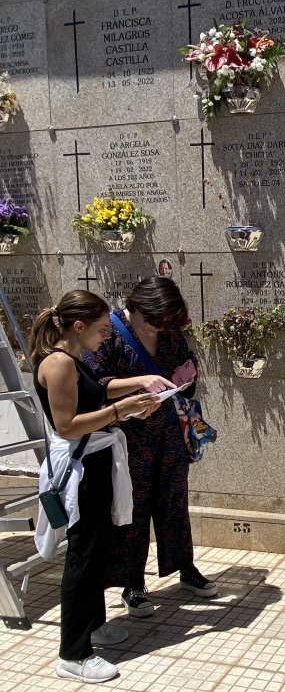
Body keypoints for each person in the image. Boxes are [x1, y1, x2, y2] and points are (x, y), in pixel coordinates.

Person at [31, 291, 161, 683]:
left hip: (98, 461)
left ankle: (94, 624)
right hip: (82, 468)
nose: (107, 336)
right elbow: (67, 425)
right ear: (78, 326)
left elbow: (98, 392)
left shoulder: (75, 360)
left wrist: (138, 390)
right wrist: (123, 411)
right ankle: (73, 653)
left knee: (99, 549)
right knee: (84, 558)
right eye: (103, 329)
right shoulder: (58, 364)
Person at [83, 277, 217, 618]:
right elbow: (94, 384)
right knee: (133, 509)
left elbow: (185, 377)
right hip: (127, 439)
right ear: (137, 309)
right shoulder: (108, 332)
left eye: (168, 322)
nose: (161, 328)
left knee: (175, 501)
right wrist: (139, 385)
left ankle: (185, 568)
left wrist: (186, 378)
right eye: (155, 321)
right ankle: (132, 584)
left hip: (168, 432)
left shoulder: (169, 331)